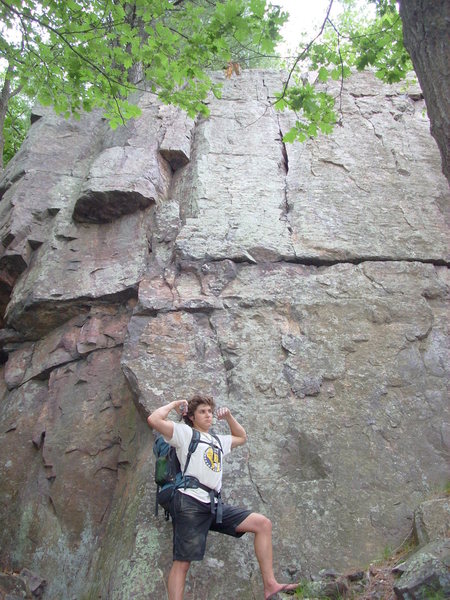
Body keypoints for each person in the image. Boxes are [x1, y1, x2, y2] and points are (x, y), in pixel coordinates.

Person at [147, 394, 299, 600]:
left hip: (213, 505)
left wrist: (228, 417)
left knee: (262, 524)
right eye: (202, 412)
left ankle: (270, 585)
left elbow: (242, 437)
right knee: (182, 562)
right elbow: (154, 420)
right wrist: (175, 404)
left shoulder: (218, 440)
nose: (208, 415)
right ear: (191, 416)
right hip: (189, 502)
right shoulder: (184, 434)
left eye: (210, 411)